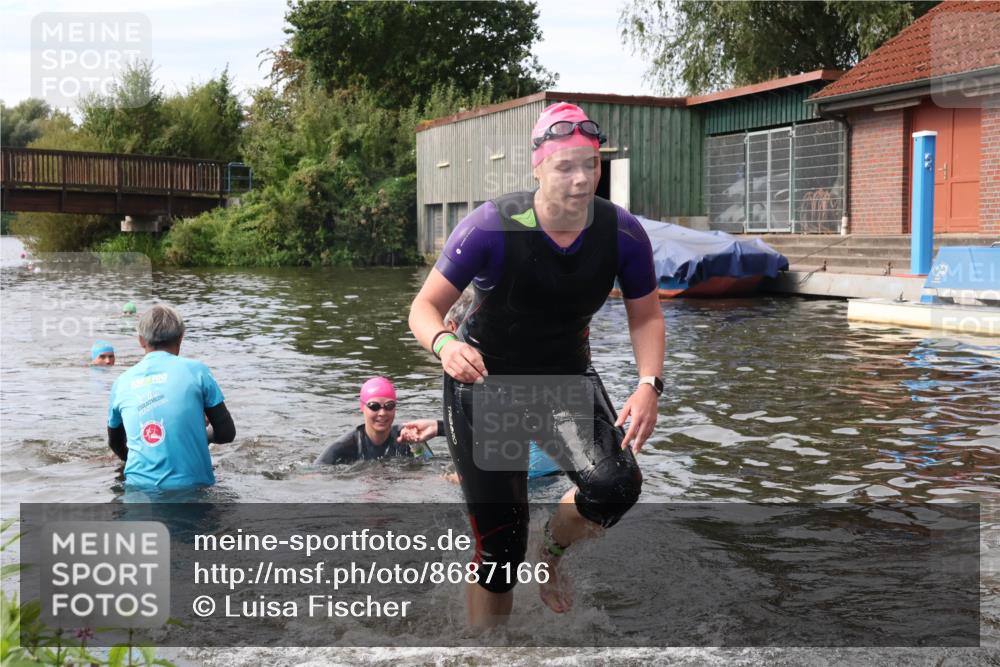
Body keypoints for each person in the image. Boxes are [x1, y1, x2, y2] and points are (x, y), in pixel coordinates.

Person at [408, 102, 665, 626]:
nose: (579, 178)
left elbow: (647, 317)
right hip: (485, 386)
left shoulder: (623, 233)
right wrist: (444, 345)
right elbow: (423, 308)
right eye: (564, 166)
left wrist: (648, 384)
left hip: (563, 381)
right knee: (500, 549)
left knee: (615, 486)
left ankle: (550, 552)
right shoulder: (490, 226)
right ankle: (486, 657)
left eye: (589, 165)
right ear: (538, 167)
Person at [107, 304, 235, 490]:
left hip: (137, 489)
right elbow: (226, 434)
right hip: (192, 489)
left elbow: (115, 442)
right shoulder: (197, 371)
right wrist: (200, 435)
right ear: (181, 337)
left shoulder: (121, 382)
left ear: (141, 340)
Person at [315, 376, 446, 465]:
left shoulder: (407, 437)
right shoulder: (343, 447)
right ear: (362, 407)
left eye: (389, 406)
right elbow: (313, 475)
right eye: (374, 406)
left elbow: (432, 467)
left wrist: (417, 445)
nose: (382, 413)